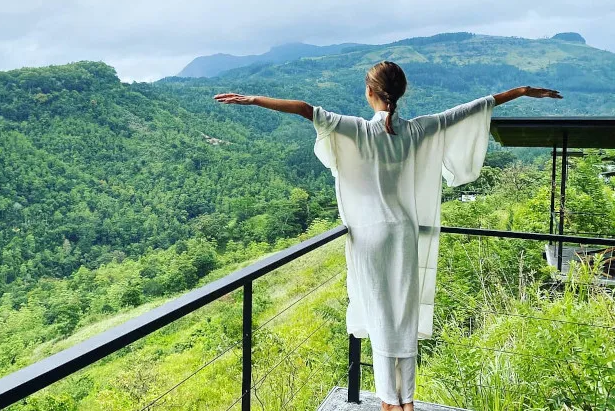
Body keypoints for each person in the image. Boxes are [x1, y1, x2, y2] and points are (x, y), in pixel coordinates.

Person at [214, 61, 561, 411]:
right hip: (405, 233)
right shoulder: (418, 129)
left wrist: (253, 99)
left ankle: (389, 401)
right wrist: (520, 92)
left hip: (370, 237)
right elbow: (468, 109)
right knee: (404, 316)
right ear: (400, 92)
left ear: (370, 92)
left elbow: (305, 109)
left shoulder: (359, 130)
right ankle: (406, 399)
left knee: (380, 317)